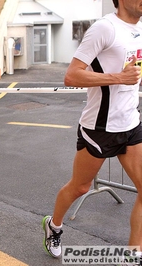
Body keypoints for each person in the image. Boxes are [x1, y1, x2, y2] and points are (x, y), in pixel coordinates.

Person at [42, 0, 142, 261]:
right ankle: (54, 225)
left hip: (131, 123)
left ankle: (134, 255)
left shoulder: (140, 28)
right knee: (80, 187)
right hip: (99, 127)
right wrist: (119, 77)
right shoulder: (104, 28)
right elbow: (72, 76)